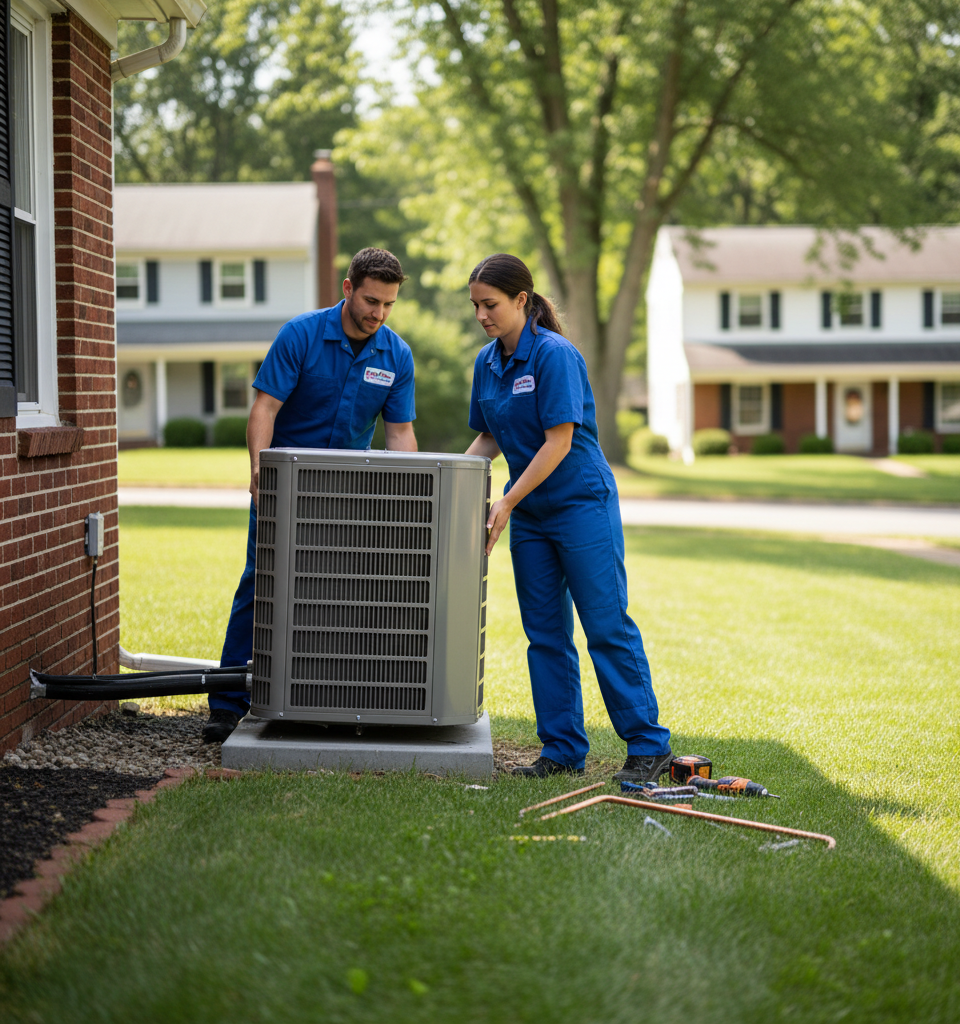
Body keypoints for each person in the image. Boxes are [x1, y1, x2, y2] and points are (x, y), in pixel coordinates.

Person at [465, 253, 672, 781]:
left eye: (490, 304)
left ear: (520, 300)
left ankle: (648, 745)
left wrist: (506, 500)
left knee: (604, 624)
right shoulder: (486, 364)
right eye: (475, 306)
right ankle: (561, 751)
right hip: (532, 516)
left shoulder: (556, 356)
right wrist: (444, 481)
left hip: (581, 504)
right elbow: (489, 435)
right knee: (545, 634)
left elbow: (559, 441)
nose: (482, 315)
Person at [203, 247, 418, 743]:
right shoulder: (301, 334)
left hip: (351, 491)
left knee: (341, 590)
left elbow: (400, 433)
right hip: (286, 484)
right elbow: (265, 407)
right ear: (347, 289)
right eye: (370, 300)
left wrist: (406, 495)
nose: (378, 314)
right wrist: (259, 470)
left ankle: (329, 699)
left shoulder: (396, 354)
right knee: (262, 583)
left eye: (387, 305)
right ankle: (226, 704)